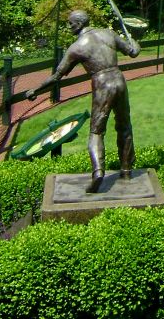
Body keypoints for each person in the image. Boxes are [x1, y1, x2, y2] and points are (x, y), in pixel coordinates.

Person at [28, 10, 140, 193]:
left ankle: (98, 172)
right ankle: (126, 171)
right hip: (119, 80)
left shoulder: (76, 47)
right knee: (124, 125)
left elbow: (57, 76)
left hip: (102, 84)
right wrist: (135, 44)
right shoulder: (108, 33)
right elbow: (132, 51)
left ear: (79, 24)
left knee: (96, 131)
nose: (68, 27)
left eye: (70, 24)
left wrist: (35, 90)